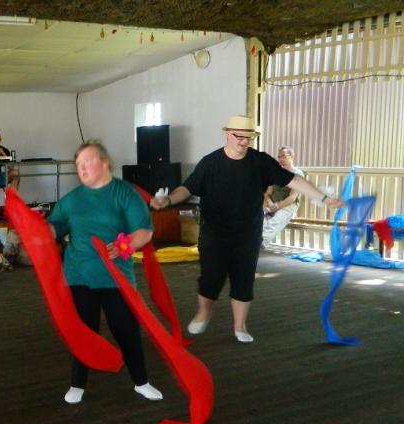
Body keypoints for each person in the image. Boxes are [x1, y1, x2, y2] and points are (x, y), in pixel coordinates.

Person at [150, 116, 341, 343]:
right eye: (238, 136)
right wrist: (168, 200)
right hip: (214, 231)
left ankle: (240, 326)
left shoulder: (261, 161)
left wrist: (323, 198)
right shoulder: (210, 163)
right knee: (211, 277)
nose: (242, 142)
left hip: (248, 232)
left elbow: (294, 181)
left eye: (247, 138)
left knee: (244, 278)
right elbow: (187, 188)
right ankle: (204, 312)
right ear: (227, 134)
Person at [47, 141, 163, 405]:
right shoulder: (72, 200)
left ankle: (141, 382)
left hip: (116, 278)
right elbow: (55, 227)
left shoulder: (125, 193)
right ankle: (77, 383)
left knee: (126, 330)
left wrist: (125, 245)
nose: (82, 168)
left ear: (105, 162)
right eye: (78, 164)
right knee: (83, 332)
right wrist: (35, 228)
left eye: (87, 161)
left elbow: (144, 231)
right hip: (79, 276)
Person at [262, 146, 304, 247]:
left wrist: (277, 206)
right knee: (257, 219)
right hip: (271, 204)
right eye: (279, 157)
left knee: (274, 223)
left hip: (288, 205)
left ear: (292, 157)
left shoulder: (297, 174)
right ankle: (250, 243)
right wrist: (270, 203)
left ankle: (258, 244)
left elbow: (292, 197)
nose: (281, 159)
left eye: (284, 156)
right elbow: (267, 193)